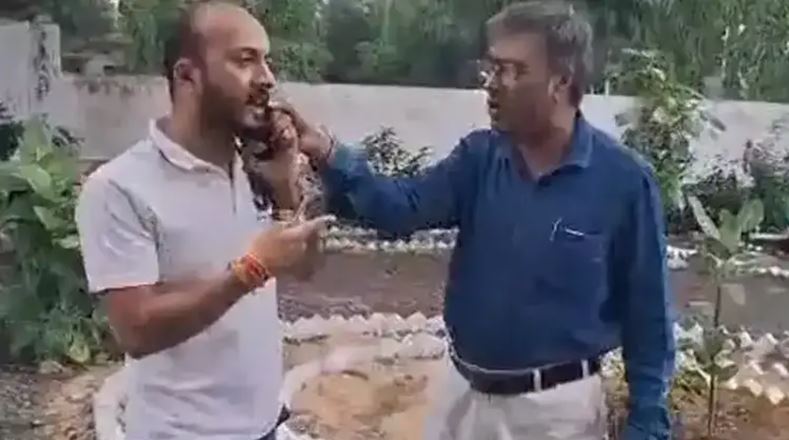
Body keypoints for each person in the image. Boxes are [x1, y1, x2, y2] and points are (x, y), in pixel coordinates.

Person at [277, 1, 676, 439]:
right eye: (492, 68)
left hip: (556, 414)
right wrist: (328, 152)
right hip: (462, 398)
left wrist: (647, 421)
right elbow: (400, 209)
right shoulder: (479, 158)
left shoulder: (623, 182)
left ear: (561, 81)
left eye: (512, 70)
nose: (492, 84)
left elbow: (649, 318)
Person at [75, 2, 332, 439]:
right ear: (187, 75)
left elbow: (305, 268)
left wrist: (286, 190)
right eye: (245, 60)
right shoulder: (119, 187)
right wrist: (251, 270)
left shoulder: (255, 169)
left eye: (266, 61)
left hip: (265, 427)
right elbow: (136, 331)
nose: (267, 78)